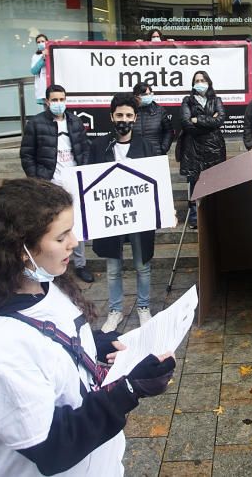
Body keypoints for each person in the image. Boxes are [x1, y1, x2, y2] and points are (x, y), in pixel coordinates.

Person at [0, 178, 175, 477]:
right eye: (61, 237)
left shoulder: (45, 283)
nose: (74, 242)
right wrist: (128, 389)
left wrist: (95, 343)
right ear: (22, 250)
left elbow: (54, 339)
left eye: (71, 230)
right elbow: (52, 447)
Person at [90, 93, 159, 333]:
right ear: (111, 116)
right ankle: (115, 310)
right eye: (119, 115)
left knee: (142, 265)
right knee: (113, 268)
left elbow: (156, 181)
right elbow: (89, 182)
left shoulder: (147, 146)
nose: (124, 119)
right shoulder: (99, 146)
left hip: (140, 217)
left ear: (135, 118)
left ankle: (143, 307)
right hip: (110, 217)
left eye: (129, 115)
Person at [20, 84, 93, 282]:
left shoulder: (75, 122)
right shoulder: (35, 124)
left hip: (73, 182)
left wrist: (81, 172)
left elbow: (85, 149)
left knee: (75, 224)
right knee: (50, 226)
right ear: (47, 101)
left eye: (62, 99)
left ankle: (80, 264)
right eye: (55, 100)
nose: (59, 103)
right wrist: (38, 180)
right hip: (49, 184)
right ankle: (51, 264)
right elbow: (27, 155)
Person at [178, 71, 227, 229]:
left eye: (202, 80)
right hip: (193, 148)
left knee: (215, 184)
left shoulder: (216, 100)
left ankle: (215, 216)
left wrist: (198, 119)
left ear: (208, 82)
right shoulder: (187, 101)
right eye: (197, 80)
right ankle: (194, 219)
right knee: (195, 184)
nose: (200, 83)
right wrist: (209, 122)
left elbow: (220, 120)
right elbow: (186, 123)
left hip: (214, 149)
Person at [132, 81, 174, 155]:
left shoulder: (160, 110)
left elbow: (169, 131)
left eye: (150, 93)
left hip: (156, 154)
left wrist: (163, 148)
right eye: (144, 94)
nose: (148, 96)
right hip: (135, 155)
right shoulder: (130, 112)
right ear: (136, 96)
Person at [30, 32, 48, 105]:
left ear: (47, 42)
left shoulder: (53, 52)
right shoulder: (36, 56)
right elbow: (34, 71)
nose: (41, 43)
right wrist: (43, 59)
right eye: (38, 42)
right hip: (43, 89)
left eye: (43, 41)